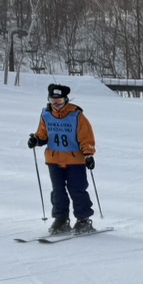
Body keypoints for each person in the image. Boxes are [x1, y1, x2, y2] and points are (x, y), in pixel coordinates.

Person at [27, 83, 97, 235]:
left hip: (75, 161)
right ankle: (61, 219)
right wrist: (36, 140)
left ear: (66, 99)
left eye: (59, 101)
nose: (56, 104)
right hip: (53, 159)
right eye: (53, 100)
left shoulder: (76, 115)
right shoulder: (46, 114)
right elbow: (43, 134)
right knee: (58, 191)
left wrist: (88, 155)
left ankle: (83, 220)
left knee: (77, 190)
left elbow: (86, 137)